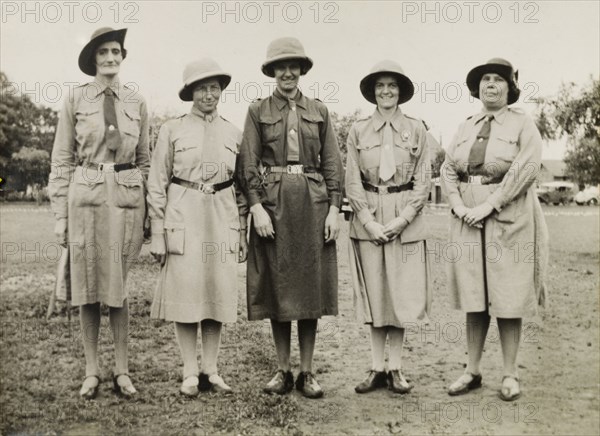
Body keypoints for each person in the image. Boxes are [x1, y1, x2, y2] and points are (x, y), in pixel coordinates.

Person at [238, 37, 343, 398]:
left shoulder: (319, 110)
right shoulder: (257, 111)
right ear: (271, 72)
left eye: (293, 66)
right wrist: (255, 207)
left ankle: (308, 371)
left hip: (313, 204)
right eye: (280, 66)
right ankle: (283, 370)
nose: (287, 72)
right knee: (278, 287)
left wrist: (333, 209)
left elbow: (331, 163)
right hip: (273, 205)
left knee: (310, 288)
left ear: (302, 70)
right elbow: (248, 164)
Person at [48, 27, 149, 399]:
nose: (110, 58)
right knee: (87, 289)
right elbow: (61, 160)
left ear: (123, 56)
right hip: (86, 197)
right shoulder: (75, 99)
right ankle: (91, 370)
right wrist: (60, 214)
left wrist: (150, 210)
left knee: (118, 290)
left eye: (116, 52)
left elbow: (145, 161)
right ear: (93, 58)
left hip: (125, 199)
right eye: (103, 52)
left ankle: (122, 370)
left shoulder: (136, 101)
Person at [441, 58, 548, 401]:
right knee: (475, 295)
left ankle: (510, 374)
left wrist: (491, 204)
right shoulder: (465, 126)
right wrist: (458, 205)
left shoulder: (522, 124)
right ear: (477, 88)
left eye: (498, 80)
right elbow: (447, 169)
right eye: (485, 79)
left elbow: (527, 166)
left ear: (510, 87)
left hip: (509, 218)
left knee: (508, 296)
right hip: (467, 218)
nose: (490, 85)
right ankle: (472, 370)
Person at [147, 58, 248, 396]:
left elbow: (243, 186)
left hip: (222, 215)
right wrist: (159, 231)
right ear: (190, 91)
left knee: (217, 291)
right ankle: (190, 370)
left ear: (221, 90)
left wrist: (243, 231)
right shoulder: (171, 130)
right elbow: (157, 182)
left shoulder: (234, 132)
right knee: (187, 292)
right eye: (202, 87)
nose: (209, 94)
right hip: (183, 214)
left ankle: (212, 369)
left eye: (214, 87)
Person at [345, 60, 432, 394]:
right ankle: (376, 366)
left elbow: (423, 181)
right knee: (376, 293)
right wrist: (367, 220)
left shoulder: (417, 129)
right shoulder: (358, 130)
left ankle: (395, 366)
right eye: (380, 86)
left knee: (401, 294)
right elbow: (352, 180)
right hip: (369, 212)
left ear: (401, 91)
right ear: (373, 92)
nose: (386, 92)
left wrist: (402, 220)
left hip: (404, 215)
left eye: (392, 86)